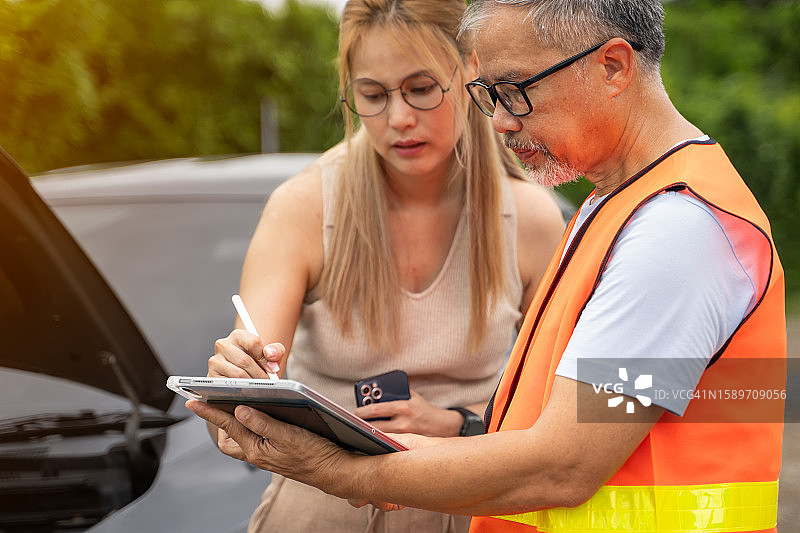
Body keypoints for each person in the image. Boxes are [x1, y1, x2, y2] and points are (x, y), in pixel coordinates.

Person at [192, 1, 787, 532]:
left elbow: (562, 467)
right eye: (489, 96)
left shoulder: (677, 232)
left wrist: (342, 471)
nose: (500, 121)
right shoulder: (621, 207)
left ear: (612, 66)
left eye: (515, 90)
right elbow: (545, 411)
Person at [205, 0, 565, 531]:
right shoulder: (304, 208)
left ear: (470, 72)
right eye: (373, 96)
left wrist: (458, 426)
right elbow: (238, 420)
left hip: (465, 513)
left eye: (421, 89)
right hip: (320, 514)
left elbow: (566, 413)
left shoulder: (530, 218)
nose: (399, 118)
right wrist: (238, 383)